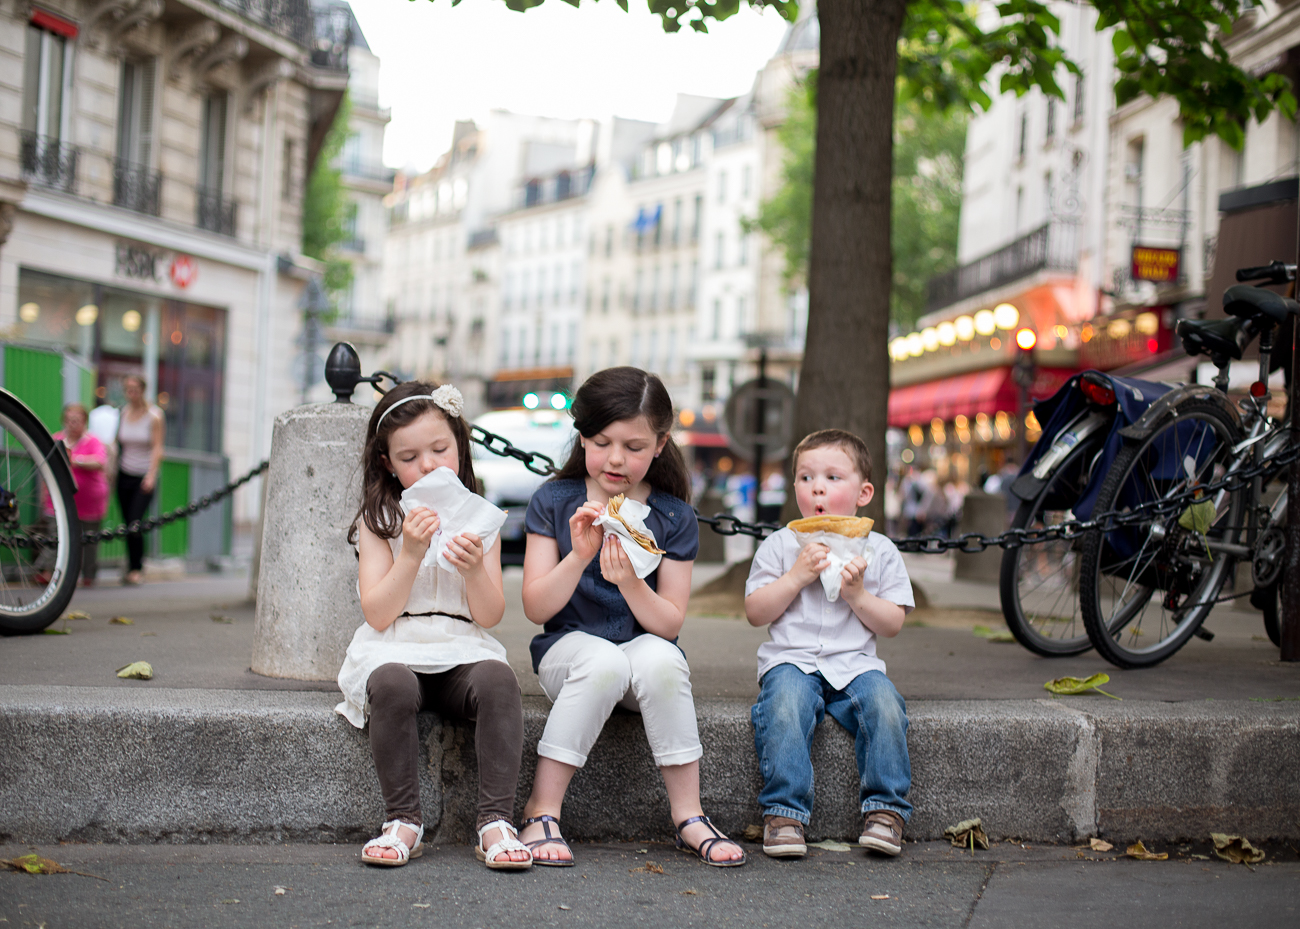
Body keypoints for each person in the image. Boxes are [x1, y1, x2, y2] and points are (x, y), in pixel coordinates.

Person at [517, 367, 745, 868]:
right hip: (570, 653)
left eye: (634, 446)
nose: (616, 459)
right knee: (602, 662)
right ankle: (541, 809)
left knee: (663, 659)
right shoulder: (553, 503)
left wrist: (630, 580)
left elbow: (669, 624)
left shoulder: (673, 517)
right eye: (602, 442)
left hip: (640, 656)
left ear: (661, 444)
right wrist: (578, 557)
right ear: (582, 437)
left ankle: (689, 814)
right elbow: (536, 607)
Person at [336, 381, 531, 870]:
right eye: (409, 457)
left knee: (499, 681)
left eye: (440, 449)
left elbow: (490, 615)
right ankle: (402, 818)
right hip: (397, 644)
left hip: (461, 646)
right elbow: (378, 612)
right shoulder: (379, 519)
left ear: (460, 448)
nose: (427, 465)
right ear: (387, 463)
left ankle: (494, 821)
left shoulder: (479, 518)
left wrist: (470, 569)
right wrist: (412, 553)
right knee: (392, 685)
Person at [744, 429, 915, 859]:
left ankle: (886, 810)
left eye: (833, 477)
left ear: (864, 492)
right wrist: (796, 576)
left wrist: (857, 595)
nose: (817, 486)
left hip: (856, 663)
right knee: (783, 706)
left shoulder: (880, 550)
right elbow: (755, 612)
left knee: (886, 707)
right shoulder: (780, 546)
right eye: (806, 477)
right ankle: (784, 812)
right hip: (792, 661)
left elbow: (893, 622)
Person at [115, 375, 163, 585]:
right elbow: (118, 444)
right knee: (127, 523)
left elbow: (157, 447)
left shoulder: (154, 416)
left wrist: (151, 475)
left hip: (143, 476)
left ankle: (137, 568)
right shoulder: (123, 413)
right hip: (124, 473)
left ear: (143, 390)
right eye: (128, 389)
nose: (131, 393)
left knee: (136, 521)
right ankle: (130, 564)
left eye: (135, 389)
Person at [54, 404, 109, 585]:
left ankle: (89, 574)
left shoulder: (93, 441)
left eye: (77, 420)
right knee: (60, 536)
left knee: (90, 540)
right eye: (70, 420)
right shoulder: (57, 439)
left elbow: (99, 461)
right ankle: (59, 573)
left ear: (84, 421)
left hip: (90, 500)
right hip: (64, 499)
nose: (73, 423)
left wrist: (75, 460)